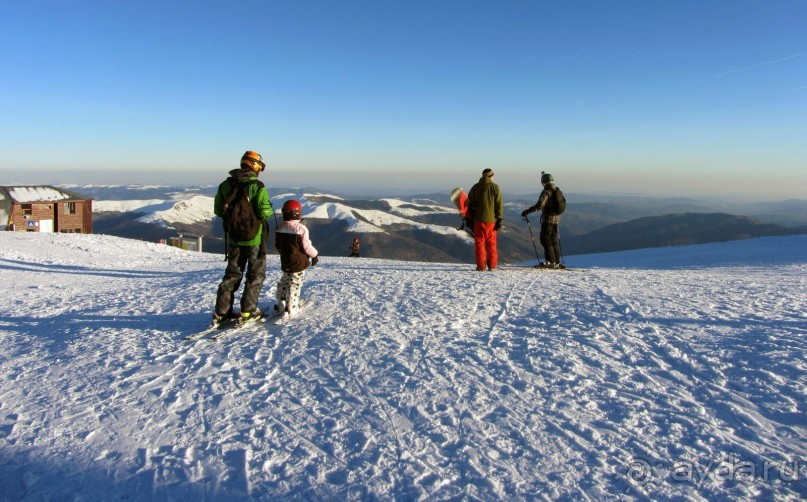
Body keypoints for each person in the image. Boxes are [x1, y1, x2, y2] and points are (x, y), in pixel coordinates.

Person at [212, 151, 274, 324]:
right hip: (254, 238)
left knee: (232, 274)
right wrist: (268, 208)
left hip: (233, 238)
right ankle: (248, 311)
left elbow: (218, 210)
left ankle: (221, 312)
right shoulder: (257, 186)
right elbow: (264, 212)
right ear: (256, 166)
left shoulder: (225, 184)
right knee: (255, 273)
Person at [274, 199, 319, 316]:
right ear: (298, 213)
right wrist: (315, 255)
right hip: (298, 264)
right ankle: (292, 307)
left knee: (284, 281)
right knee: (295, 283)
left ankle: (280, 303)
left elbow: (277, 245)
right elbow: (307, 247)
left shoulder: (280, 227)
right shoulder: (301, 229)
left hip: (285, 261)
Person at [521, 172, 565, 269]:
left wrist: (527, 211)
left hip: (548, 219)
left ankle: (550, 261)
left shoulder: (546, 191)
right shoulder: (556, 190)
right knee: (553, 239)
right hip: (556, 219)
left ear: (543, 182)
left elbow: (540, 205)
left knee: (545, 239)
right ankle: (557, 261)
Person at [467, 168, 503, 271]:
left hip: (477, 220)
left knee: (479, 244)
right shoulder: (494, 187)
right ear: (491, 176)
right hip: (491, 221)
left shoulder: (475, 187)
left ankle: (481, 266)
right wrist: (499, 218)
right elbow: (499, 204)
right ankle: (492, 266)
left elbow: (469, 203)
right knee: (491, 244)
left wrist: (469, 218)